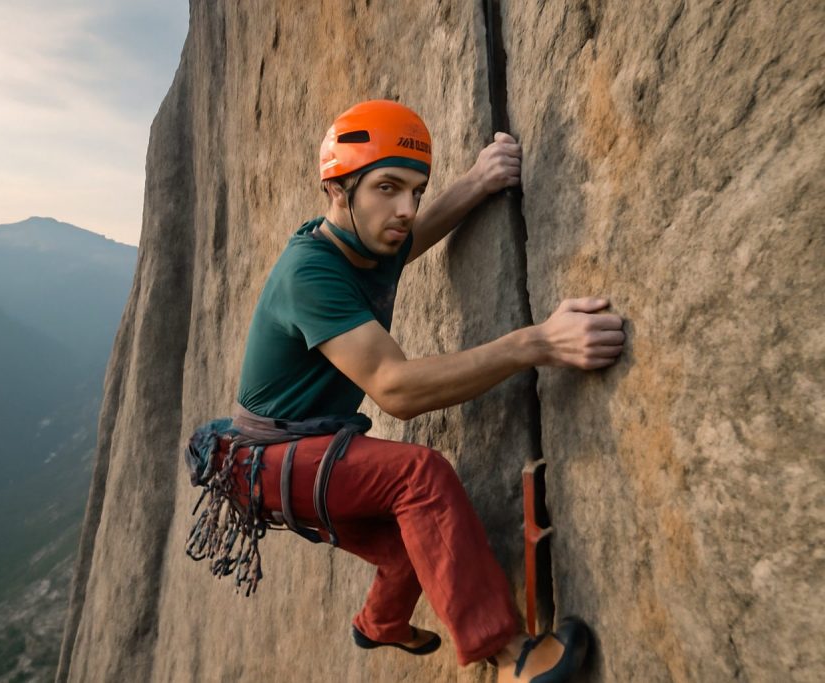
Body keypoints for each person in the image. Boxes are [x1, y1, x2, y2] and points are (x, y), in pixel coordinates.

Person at [223, 100, 624, 681]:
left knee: (407, 543)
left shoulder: (360, 242)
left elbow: (408, 241)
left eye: (416, 190)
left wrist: (477, 181)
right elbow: (397, 389)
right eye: (388, 188)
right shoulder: (309, 272)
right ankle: (511, 655)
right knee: (419, 479)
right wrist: (538, 343)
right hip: (268, 459)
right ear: (337, 190)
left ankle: (379, 623)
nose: (406, 209)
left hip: (286, 451)